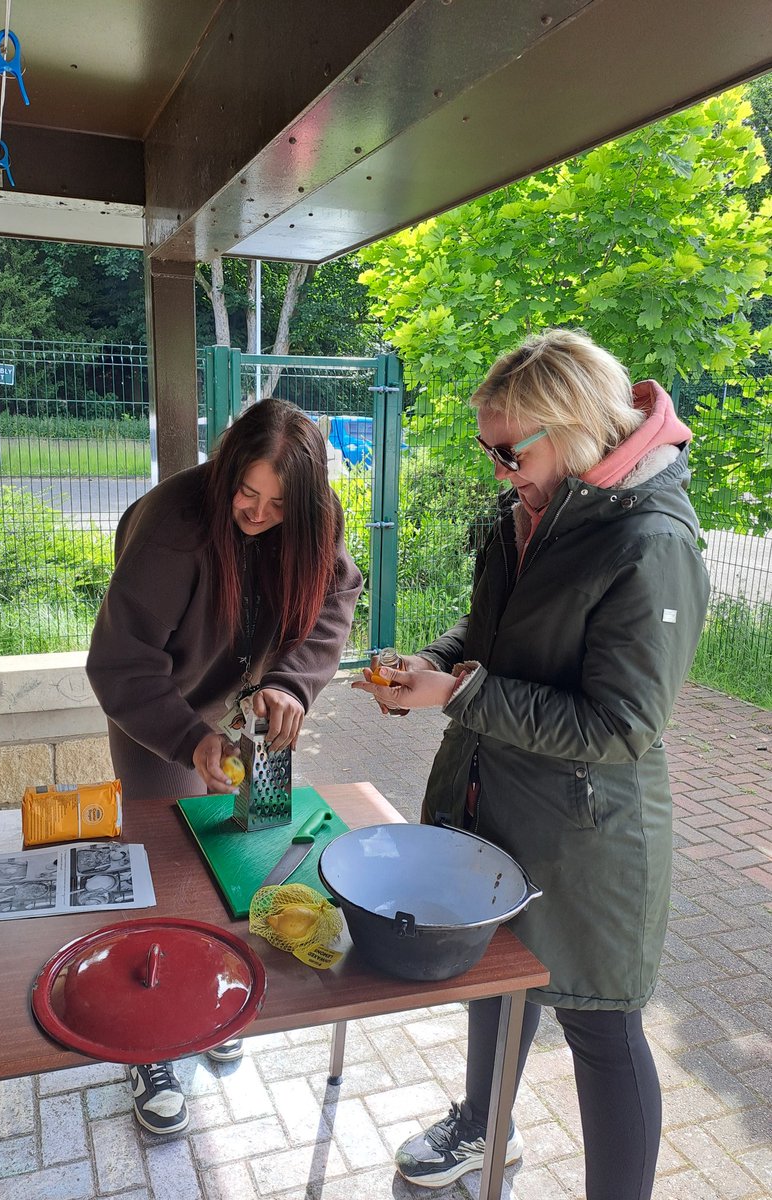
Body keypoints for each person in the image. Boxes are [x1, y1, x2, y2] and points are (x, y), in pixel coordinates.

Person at [352, 329, 709, 1198]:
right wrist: (425, 670)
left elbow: (622, 723)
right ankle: (483, 1129)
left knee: (601, 1024)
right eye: (488, 450)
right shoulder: (530, 511)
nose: (498, 470)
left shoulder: (650, 540)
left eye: (510, 451)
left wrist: (460, 694)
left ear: (576, 426)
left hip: (593, 838)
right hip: (496, 800)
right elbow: (484, 644)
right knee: (493, 979)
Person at [87, 397, 362, 1135]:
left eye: (279, 504)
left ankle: (209, 992)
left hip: (253, 694)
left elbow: (338, 595)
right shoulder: (173, 530)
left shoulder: (310, 512)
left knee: (247, 857)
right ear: (226, 466)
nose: (259, 513)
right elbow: (118, 664)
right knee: (161, 875)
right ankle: (152, 1045)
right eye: (248, 493)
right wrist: (189, 740)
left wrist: (291, 684)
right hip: (159, 710)